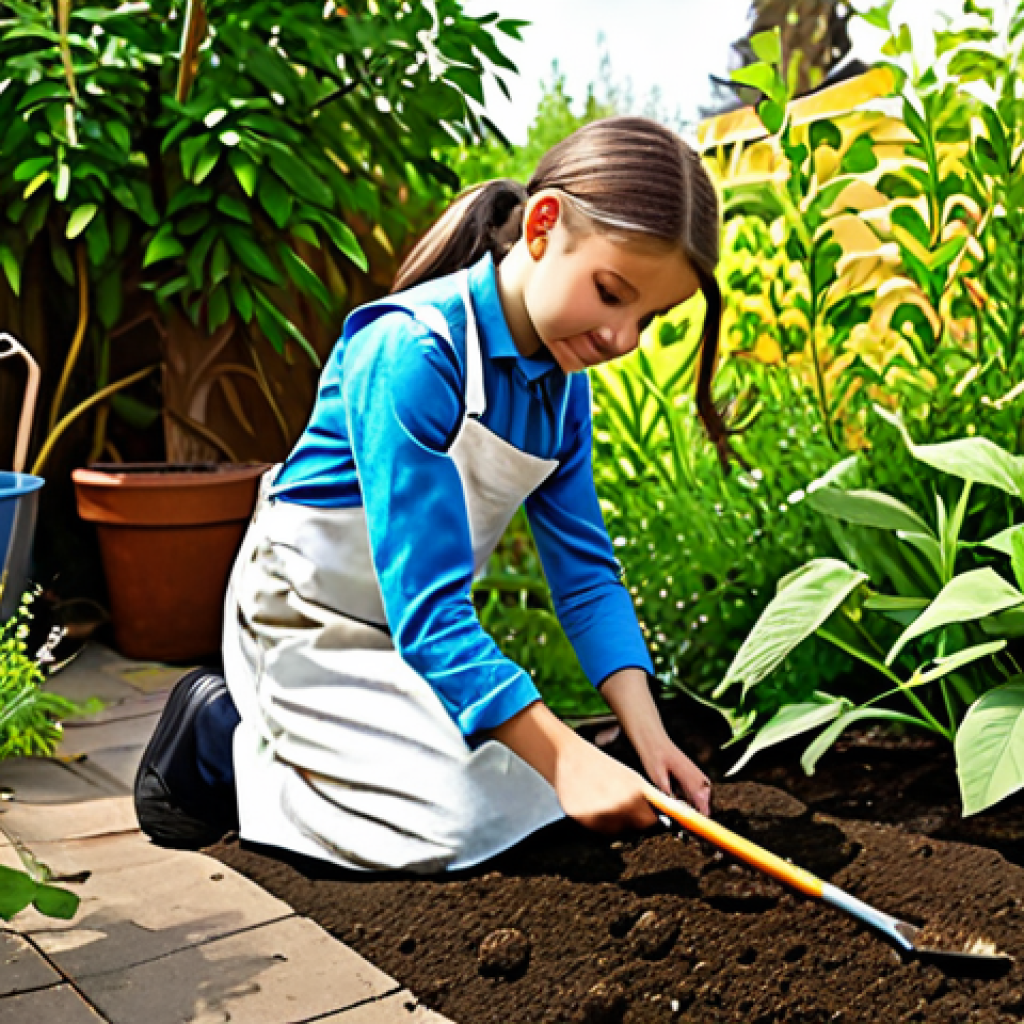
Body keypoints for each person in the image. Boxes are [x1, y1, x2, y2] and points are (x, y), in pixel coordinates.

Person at [134, 116, 725, 873]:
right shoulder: (414, 351)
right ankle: (219, 735)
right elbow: (431, 609)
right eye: (613, 294)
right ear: (544, 226)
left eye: (649, 319)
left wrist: (649, 740)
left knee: (532, 800)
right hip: (307, 618)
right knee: (457, 823)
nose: (624, 339)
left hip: (414, 638)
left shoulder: (561, 395)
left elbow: (585, 578)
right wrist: (568, 758)